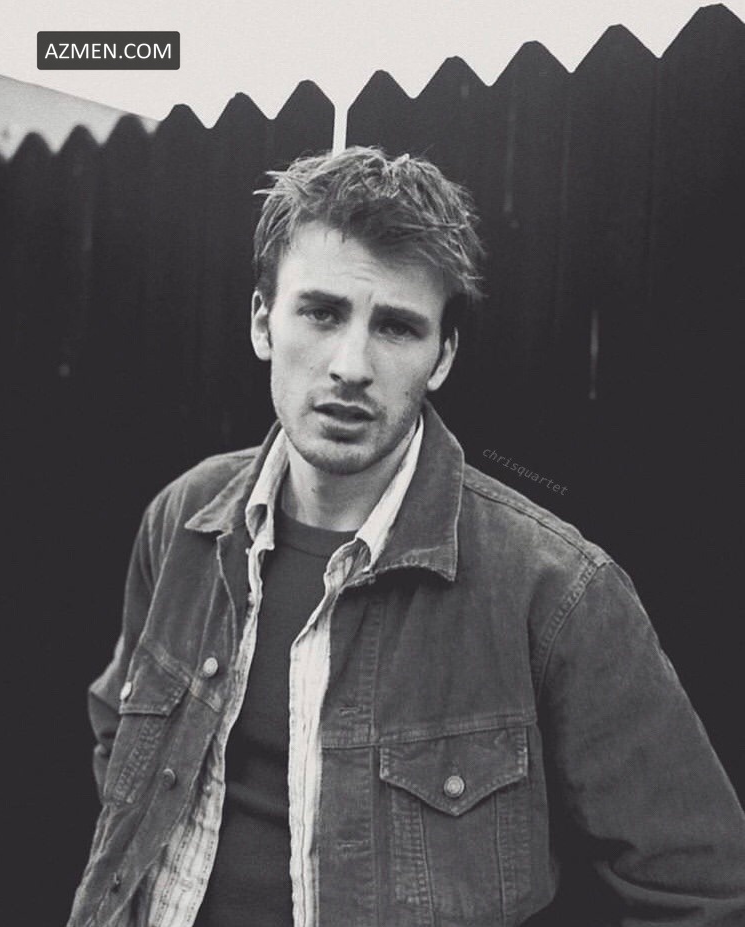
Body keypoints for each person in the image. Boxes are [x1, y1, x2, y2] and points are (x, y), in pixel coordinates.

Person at [67, 147, 745, 927]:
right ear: (262, 322)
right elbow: (120, 735)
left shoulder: (556, 592)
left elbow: (706, 891)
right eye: (322, 312)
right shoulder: (185, 520)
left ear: (442, 355)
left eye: (395, 326)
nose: (351, 365)